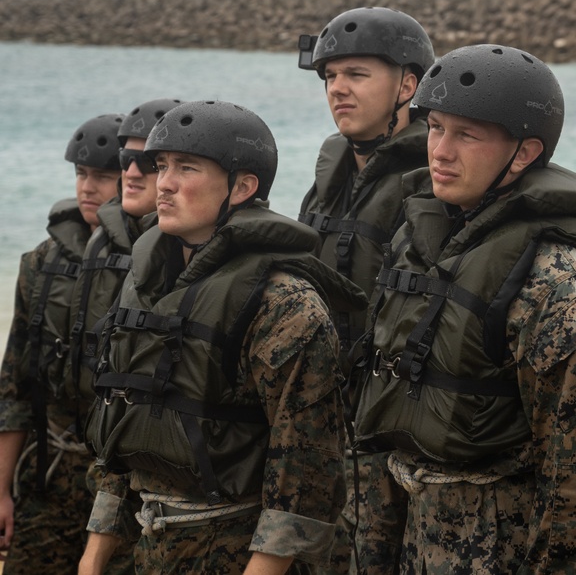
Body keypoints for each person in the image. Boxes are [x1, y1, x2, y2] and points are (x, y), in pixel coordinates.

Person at [352, 43, 576, 573]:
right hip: (407, 532)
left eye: (466, 135)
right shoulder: (416, 242)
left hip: (496, 546)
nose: (440, 151)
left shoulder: (559, 284)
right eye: (436, 127)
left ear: (524, 153)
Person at [81, 100, 367, 574]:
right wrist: (95, 550)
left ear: (243, 187)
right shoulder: (147, 287)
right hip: (151, 543)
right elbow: (122, 419)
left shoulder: (285, 302)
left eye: (186, 168)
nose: (165, 183)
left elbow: (305, 467)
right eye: (162, 166)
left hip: (235, 548)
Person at [296, 6, 435, 572]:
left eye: (357, 74)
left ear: (407, 84)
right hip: (319, 419)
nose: (338, 90)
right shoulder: (329, 181)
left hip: (387, 430)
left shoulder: (435, 178)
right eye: (330, 76)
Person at [0, 113, 124, 572]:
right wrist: (2, 491)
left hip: (120, 481)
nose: (88, 187)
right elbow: (14, 384)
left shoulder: (157, 263)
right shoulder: (41, 261)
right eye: (81, 174)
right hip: (46, 473)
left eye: (104, 176)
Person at [67, 98, 184, 574]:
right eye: (126, 161)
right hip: (98, 471)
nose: (132, 173)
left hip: (168, 503)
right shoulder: (105, 245)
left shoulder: (187, 265)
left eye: (148, 163)